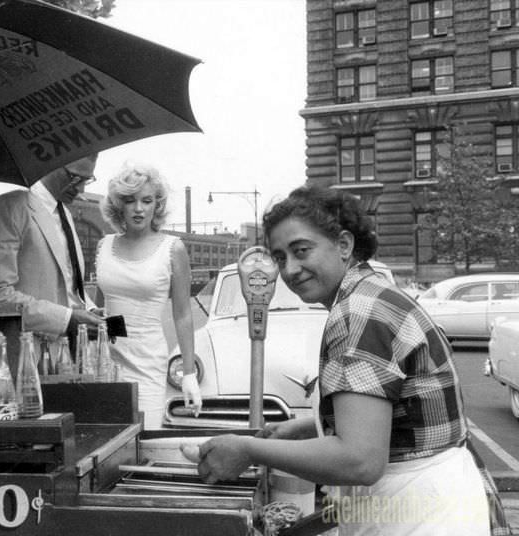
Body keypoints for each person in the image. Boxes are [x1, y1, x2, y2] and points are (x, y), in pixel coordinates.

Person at [188, 185, 491, 534]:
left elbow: (359, 460)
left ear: (344, 245)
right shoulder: (371, 292)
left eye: (301, 250)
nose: (290, 269)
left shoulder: (358, 313)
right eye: (280, 257)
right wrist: (305, 427)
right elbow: (396, 406)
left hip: (416, 510)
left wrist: (248, 450)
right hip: (435, 496)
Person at [95, 163, 201, 429]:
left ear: (157, 205)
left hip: (147, 361)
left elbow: (183, 315)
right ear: (119, 205)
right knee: (108, 442)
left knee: (144, 437)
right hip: (106, 362)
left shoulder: (172, 249)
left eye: (147, 200)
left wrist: (189, 374)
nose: (139, 208)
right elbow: (102, 310)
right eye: (130, 201)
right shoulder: (103, 245)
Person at [0, 155, 103, 341]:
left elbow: (68, 287)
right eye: (75, 178)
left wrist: (89, 311)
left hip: (63, 352)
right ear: (50, 164)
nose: (81, 189)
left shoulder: (65, 213)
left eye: (87, 180)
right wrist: (66, 319)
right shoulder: (7, 208)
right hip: (23, 350)